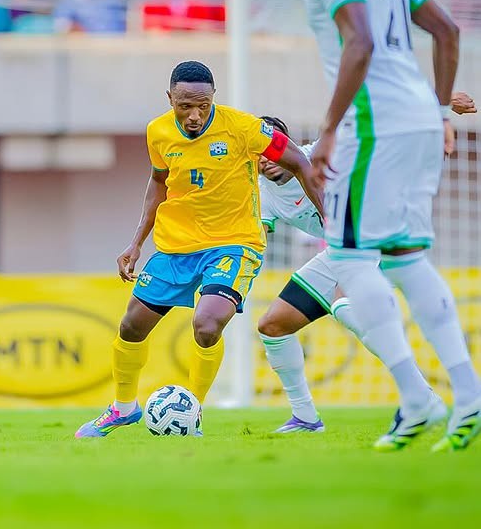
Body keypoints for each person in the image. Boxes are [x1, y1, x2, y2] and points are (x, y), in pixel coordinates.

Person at [300, 0, 480, 451]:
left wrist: (329, 130)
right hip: (421, 120)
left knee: (350, 259)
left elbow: (359, 41)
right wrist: (441, 110)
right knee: (405, 259)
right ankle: (468, 395)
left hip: (375, 126)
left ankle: (417, 399)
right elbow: (447, 31)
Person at [74, 61, 321, 439]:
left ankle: (192, 411)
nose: (194, 115)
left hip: (233, 244)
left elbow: (300, 162)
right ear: (170, 98)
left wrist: (329, 220)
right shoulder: (157, 132)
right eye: (185, 106)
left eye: (203, 106)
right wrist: (136, 242)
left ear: (213, 98)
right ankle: (123, 408)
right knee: (131, 326)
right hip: (175, 247)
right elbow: (158, 183)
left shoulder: (244, 128)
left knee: (206, 324)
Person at [256, 100, 477, 435]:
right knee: (273, 326)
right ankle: (306, 418)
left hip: (379, 233)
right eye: (259, 152)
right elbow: (255, 236)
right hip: (343, 250)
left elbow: (382, 114)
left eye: (274, 148)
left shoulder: (322, 153)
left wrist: (441, 105)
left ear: (290, 146)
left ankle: (420, 396)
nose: (267, 158)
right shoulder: (262, 195)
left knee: (345, 305)